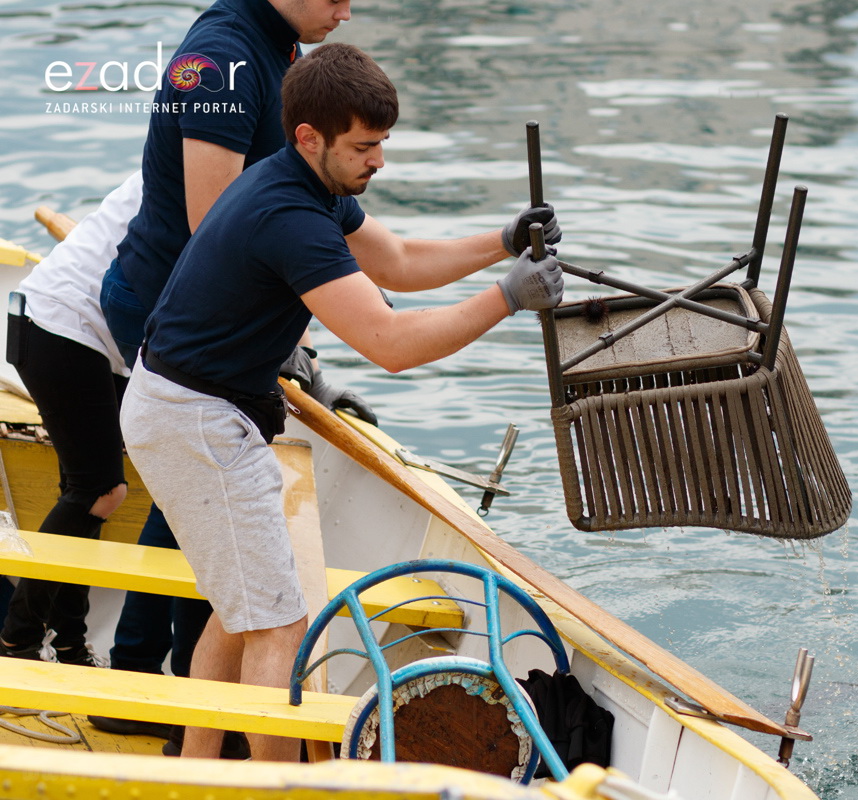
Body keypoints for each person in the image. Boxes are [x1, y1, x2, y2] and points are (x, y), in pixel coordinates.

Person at [119, 42, 563, 761]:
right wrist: (507, 297)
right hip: (195, 421)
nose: (379, 160)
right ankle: (277, 784)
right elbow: (390, 343)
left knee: (240, 615)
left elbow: (397, 263)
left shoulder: (304, 183)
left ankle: (195, 770)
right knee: (278, 626)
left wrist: (503, 240)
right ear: (308, 136)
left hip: (189, 408)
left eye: (383, 142)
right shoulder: (288, 215)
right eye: (364, 146)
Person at [95, 0, 377, 725]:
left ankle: (195, 707)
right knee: (195, 499)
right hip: (168, 306)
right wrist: (290, 340)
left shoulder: (278, 45)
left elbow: (348, 238)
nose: (348, 11)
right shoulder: (223, 57)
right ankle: (140, 683)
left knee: (204, 506)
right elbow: (215, 220)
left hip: (210, 320)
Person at [0, 174, 143, 668]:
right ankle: (16, 640)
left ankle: (69, 644)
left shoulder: (212, 164)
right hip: (61, 324)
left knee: (84, 494)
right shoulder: (205, 171)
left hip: (88, 336)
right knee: (101, 491)